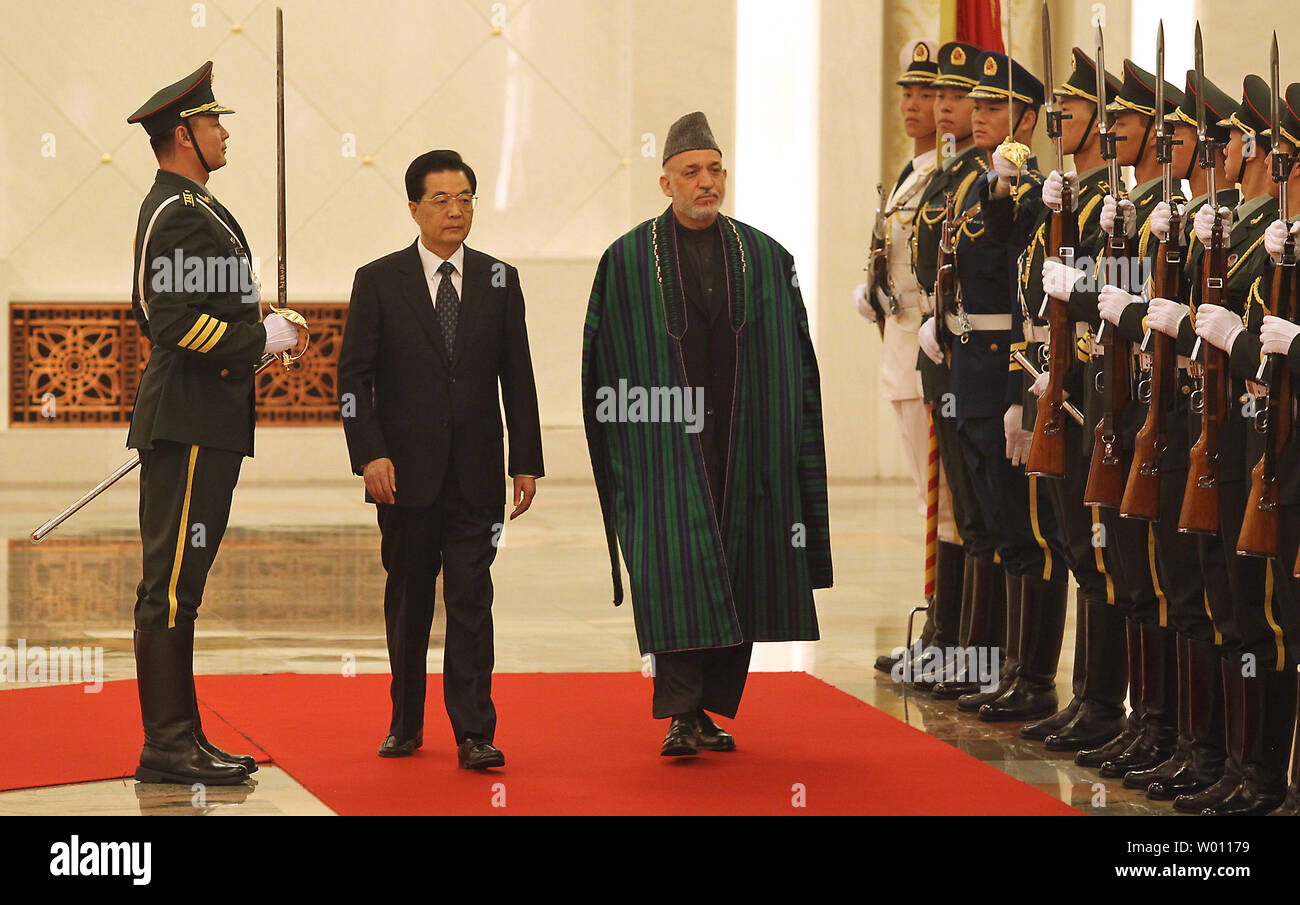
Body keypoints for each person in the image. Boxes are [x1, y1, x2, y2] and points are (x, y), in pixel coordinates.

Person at [582, 112, 831, 757]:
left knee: (743, 564)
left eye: (715, 169)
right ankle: (681, 712)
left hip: (747, 442)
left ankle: (712, 709)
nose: (706, 182)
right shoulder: (628, 261)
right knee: (676, 567)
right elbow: (602, 366)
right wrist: (627, 452)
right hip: (665, 449)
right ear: (665, 181)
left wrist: (784, 442)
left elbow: (798, 360)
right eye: (691, 172)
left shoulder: (767, 257)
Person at [125, 61, 307, 784]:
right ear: (182, 134)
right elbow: (165, 318)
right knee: (169, 584)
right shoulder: (174, 210)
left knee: (183, 583)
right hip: (190, 419)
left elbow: (210, 312)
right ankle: (167, 744)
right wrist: (257, 340)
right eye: (212, 122)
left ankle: (182, 736)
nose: (224, 131)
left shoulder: (199, 208)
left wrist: (263, 326)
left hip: (210, 416)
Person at [337, 149, 543, 769]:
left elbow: (519, 377)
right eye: (441, 200)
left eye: (465, 199)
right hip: (403, 475)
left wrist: (526, 460)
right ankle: (404, 722)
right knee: (409, 600)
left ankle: (475, 731)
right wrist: (368, 454)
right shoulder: (378, 280)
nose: (456, 211)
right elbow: (353, 379)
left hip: (477, 473)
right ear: (413, 208)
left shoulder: (500, 279)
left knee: (473, 598)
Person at [919, 51, 1070, 722]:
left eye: (994, 107)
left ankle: (1032, 675)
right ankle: (1004, 665)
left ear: (1028, 119)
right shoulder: (978, 185)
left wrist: (1018, 391)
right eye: (975, 105)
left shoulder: (1031, 191)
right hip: (967, 372)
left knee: (1027, 529)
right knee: (991, 523)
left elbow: (1024, 295)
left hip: (1003, 374)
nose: (978, 115)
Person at [982, 48, 1125, 747]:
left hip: (1081, 392)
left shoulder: (1110, 204)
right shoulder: (1060, 197)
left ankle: (1104, 704)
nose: (1060, 117)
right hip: (1046, 383)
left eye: (1075, 107)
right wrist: (1022, 386)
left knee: (1100, 554)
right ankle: (1079, 693)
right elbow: (1028, 299)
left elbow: (1109, 304)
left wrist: (1063, 381)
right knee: (1067, 541)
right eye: (1058, 107)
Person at [857, 39, 964, 682]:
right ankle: (940, 629)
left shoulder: (948, 173)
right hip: (901, 351)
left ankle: (950, 636)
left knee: (945, 503)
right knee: (933, 501)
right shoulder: (910, 170)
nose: (916, 105)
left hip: (931, 354)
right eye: (911, 92)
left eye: (932, 94)